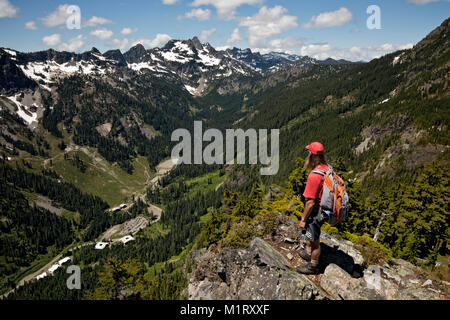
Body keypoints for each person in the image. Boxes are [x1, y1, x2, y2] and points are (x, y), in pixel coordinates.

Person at [296, 142, 329, 275]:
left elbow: (310, 203)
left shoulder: (314, 176)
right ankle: (308, 252)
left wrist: (303, 219)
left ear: (313, 156)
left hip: (316, 211)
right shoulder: (326, 168)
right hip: (323, 209)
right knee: (309, 232)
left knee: (315, 241)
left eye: (309, 153)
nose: (307, 155)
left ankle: (313, 265)